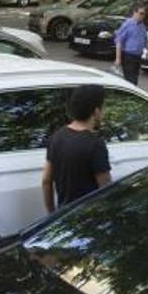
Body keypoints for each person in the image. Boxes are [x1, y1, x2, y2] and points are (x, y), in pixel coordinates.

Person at [41, 85, 112, 213]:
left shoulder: (57, 136)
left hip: (63, 215)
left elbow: (46, 180)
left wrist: (51, 214)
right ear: (96, 111)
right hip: (87, 218)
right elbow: (105, 190)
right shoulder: (95, 144)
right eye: (104, 107)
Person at [114, 2, 148, 85]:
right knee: (130, 80)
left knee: (135, 79)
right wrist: (118, 58)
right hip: (128, 56)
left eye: (144, 14)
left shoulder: (142, 26)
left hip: (138, 56)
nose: (143, 16)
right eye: (141, 13)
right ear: (134, 12)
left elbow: (145, 40)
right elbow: (119, 41)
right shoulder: (127, 24)